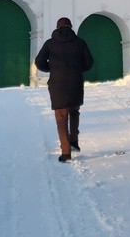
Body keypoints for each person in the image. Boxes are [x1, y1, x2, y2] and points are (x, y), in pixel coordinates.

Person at [35, 17, 94, 162]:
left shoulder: (50, 43)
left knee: (61, 119)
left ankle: (66, 153)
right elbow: (89, 63)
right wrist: (78, 69)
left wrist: (52, 68)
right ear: (71, 27)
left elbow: (39, 62)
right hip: (75, 83)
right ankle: (74, 141)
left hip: (58, 85)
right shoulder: (80, 43)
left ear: (57, 27)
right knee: (74, 112)